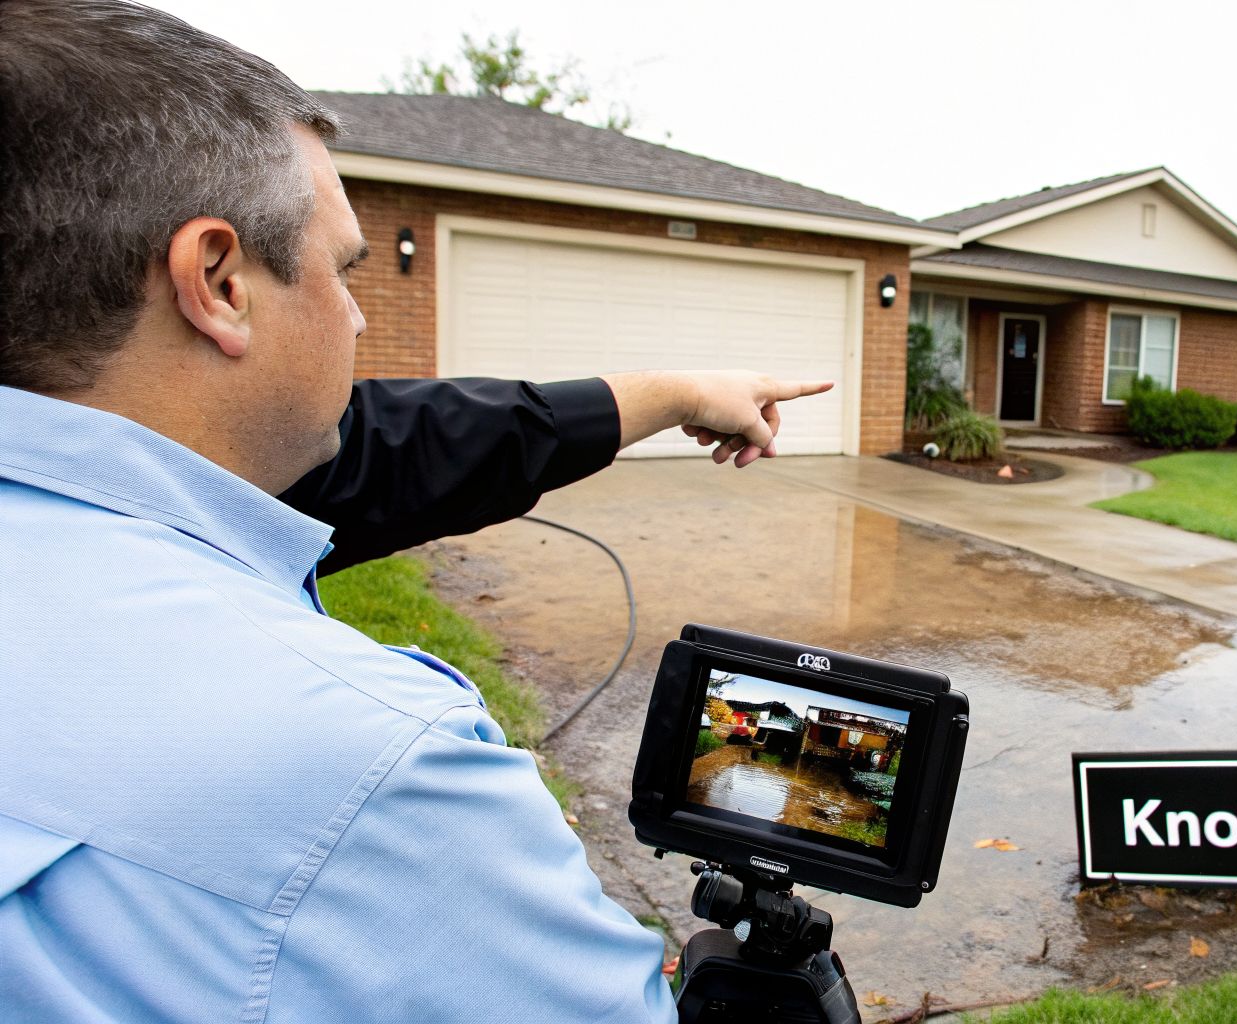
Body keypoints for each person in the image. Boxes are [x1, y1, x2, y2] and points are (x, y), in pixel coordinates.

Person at [0, 2, 830, 1019]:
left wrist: (665, 392)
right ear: (217, 281)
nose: (355, 315)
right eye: (343, 269)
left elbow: (399, 448)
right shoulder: (374, 768)